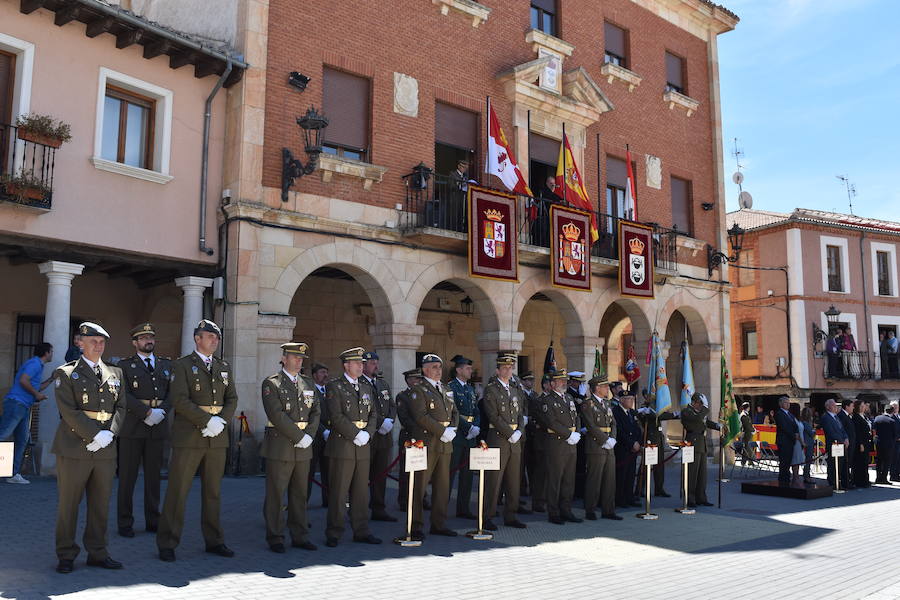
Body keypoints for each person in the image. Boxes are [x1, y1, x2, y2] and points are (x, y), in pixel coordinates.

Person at [157, 319, 237, 562]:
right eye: (209, 336)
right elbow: (179, 400)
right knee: (178, 491)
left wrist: (221, 421)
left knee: (213, 493)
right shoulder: (182, 365)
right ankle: (167, 542)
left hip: (216, 438)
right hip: (190, 436)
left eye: (217, 337)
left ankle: (214, 540)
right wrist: (206, 421)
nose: (215, 340)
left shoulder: (223, 367)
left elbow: (232, 398)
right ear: (197, 339)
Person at [52, 323, 125, 574]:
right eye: (93, 340)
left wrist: (110, 434)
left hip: (105, 449)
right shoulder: (65, 373)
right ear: (79, 342)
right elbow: (69, 412)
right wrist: (94, 434)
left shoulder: (115, 373)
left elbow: (122, 408)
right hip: (74, 447)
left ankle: (98, 552)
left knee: (100, 504)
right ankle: (66, 554)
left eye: (102, 341)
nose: (99, 345)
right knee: (69, 505)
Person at [260, 342, 320, 553]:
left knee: (300, 493)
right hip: (281, 445)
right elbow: (276, 415)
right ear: (284, 359)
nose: (299, 361)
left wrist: (309, 436)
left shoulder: (308, 383)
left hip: (304, 446)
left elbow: (316, 412)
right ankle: (275, 536)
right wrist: (299, 436)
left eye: (301, 358)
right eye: (294, 357)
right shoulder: (272, 383)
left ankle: (300, 535)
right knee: (277, 493)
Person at [116, 324, 170, 537]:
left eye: (151, 337)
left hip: (158, 426)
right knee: (128, 477)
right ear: (135, 343)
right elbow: (123, 394)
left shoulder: (166, 365)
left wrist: (161, 412)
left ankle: (152, 519)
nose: (149, 340)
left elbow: (173, 394)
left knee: (153, 477)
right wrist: (146, 412)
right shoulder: (124, 366)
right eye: (144, 337)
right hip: (133, 426)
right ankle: (125, 522)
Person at [323, 347, 380, 547]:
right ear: (346, 365)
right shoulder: (334, 387)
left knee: (360, 492)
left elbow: (374, 414)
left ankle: (361, 530)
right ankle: (334, 531)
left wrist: (368, 434)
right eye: (357, 363)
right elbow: (336, 416)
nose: (360, 366)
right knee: (339, 491)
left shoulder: (366, 387)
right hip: (343, 445)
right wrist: (356, 434)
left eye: (362, 363)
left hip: (363, 445)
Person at [401, 353, 460, 541]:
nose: (438, 370)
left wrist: (453, 428)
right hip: (426, 443)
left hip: (444, 444)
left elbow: (455, 412)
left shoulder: (445, 388)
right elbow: (420, 416)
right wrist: (442, 431)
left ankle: (439, 523)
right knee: (419, 486)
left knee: (443, 486)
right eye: (434, 367)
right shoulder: (418, 390)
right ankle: (415, 525)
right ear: (425, 369)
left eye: (440, 367)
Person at [480, 352, 528, 531]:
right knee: (494, 480)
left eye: (511, 367)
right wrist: (510, 432)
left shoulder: (515, 389)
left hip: (515, 439)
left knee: (514, 479)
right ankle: (487, 516)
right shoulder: (491, 389)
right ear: (498, 370)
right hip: (499, 438)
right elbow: (493, 415)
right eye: (505, 367)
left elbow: (521, 414)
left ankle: (511, 514)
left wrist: (519, 431)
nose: (508, 370)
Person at [2, 342, 52, 484]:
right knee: (3, 435)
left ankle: (13, 474)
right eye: (51, 351)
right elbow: (24, 380)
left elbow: (36, 386)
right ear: (46, 352)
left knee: (22, 439)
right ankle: (10, 472)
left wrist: (51, 379)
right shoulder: (35, 363)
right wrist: (36, 394)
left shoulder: (38, 365)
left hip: (23, 406)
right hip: (16, 403)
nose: (52, 354)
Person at [536, 368, 582, 525]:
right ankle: (553, 512)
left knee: (569, 480)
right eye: (561, 381)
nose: (564, 383)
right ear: (553, 383)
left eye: (565, 381)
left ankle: (566, 510)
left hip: (571, 444)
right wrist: (569, 435)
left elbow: (576, 417)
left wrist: (576, 433)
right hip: (556, 443)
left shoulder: (569, 398)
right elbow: (551, 422)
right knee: (555, 479)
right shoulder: (548, 400)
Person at [360, 351, 397, 523]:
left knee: (380, 475)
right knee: (361, 476)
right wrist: (381, 422)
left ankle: (378, 508)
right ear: (364, 365)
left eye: (377, 362)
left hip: (383, 437)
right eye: (372, 362)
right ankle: (357, 509)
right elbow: (364, 410)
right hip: (367, 436)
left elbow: (391, 405)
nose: (376, 365)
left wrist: (390, 420)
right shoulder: (359, 384)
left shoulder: (383, 384)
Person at [581, 376, 620, 520]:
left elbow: (614, 423)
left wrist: (613, 438)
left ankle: (608, 510)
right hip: (596, 445)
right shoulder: (588, 404)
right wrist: (604, 439)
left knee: (610, 479)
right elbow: (590, 425)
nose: (607, 389)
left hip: (609, 444)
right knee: (594, 479)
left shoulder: (607, 403)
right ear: (597, 388)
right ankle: (590, 509)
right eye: (605, 387)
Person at [448, 355, 480, 519]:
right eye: (467, 368)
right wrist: (468, 427)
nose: (470, 371)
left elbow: (476, 411)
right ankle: (442, 507)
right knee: (450, 473)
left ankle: (463, 508)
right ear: (459, 370)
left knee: (467, 474)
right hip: (457, 436)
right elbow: (453, 413)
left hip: (470, 436)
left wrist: (476, 426)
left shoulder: (470, 389)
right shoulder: (451, 388)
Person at [680, 392, 720, 507]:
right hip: (692, 443)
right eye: (700, 403)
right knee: (692, 473)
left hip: (701, 444)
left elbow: (705, 422)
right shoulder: (686, 412)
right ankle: (690, 498)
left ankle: (701, 497)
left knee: (702, 474)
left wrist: (718, 426)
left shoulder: (700, 412)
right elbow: (698, 419)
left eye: (702, 404)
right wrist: (706, 408)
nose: (701, 406)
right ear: (694, 402)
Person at [636, 395, 677, 497]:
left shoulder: (655, 408)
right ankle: (639, 489)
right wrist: (674, 414)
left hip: (658, 439)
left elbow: (660, 414)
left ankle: (659, 488)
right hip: (650, 439)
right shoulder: (645, 409)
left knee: (660, 465)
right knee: (645, 466)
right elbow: (657, 416)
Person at [395, 368, 424, 509]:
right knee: (406, 471)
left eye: (420, 379)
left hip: (423, 436)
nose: (419, 381)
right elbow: (405, 418)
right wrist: (421, 430)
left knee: (422, 470)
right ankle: (404, 500)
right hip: (409, 436)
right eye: (416, 379)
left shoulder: (423, 394)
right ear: (409, 380)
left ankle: (421, 498)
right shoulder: (402, 396)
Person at [526, 374, 551, 512]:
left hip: (552, 442)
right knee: (540, 473)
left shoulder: (553, 400)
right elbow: (543, 420)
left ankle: (548, 498)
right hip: (542, 441)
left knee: (550, 472)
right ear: (545, 385)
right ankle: (538, 501)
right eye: (550, 383)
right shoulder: (538, 400)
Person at [612, 393, 641, 508]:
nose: (631, 401)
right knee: (621, 475)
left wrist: (637, 442)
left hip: (633, 449)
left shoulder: (632, 412)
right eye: (628, 399)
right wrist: (631, 443)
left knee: (631, 474)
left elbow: (638, 429)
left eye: (632, 398)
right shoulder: (616, 412)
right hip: (623, 448)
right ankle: (620, 498)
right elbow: (619, 431)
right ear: (621, 400)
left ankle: (629, 497)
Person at [308, 363, 330, 507]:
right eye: (322, 372)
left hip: (330, 436)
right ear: (315, 375)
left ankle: (328, 500)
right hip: (315, 436)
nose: (325, 375)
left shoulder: (330, 390)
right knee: (308, 472)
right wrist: (323, 431)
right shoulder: (309, 391)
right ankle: (302, 502)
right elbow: (311, 415)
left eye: (326, 372)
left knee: (328, 470)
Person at [820, 398, 849, 489]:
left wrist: (846, 438)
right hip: (834, 444)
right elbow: (831, 432)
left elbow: (842, 429)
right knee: (833, 464)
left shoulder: (836, 417)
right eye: (833, 405)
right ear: (828, 407)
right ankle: (832, 482)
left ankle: (838, 481)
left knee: (840, 464)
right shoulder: (826, 417)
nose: (835, 407)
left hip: (841, 444)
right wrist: (841, 440)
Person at [773, 396, 799, 485]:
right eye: (785, 402)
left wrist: (796, 433)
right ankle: (783, 479)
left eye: (788, 402)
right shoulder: (779, 414)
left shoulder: (790, 414)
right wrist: (793, 434)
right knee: (784, 461)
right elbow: (784, 427)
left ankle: (787, 478)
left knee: (788, 461)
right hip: (783, 441)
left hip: (790, 441)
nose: (788, 404)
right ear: (780, 404)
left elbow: (795, 425)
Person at [873, 404, 896, 484]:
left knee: (879, 461)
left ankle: (878, 478)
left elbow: (874, 430)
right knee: (886, 462)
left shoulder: (877, 418)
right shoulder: (892, 421)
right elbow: (895, 434)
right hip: (888, 444)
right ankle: (884, 478)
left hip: (879, 443)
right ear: (892, 411)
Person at [851, 400, 872, 488]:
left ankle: (865, 479)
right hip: (861, 443)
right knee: (860, 462)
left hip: (867, 442)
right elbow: (858, 432)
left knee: (865, 462)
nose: (864, 407)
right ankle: (860, 481)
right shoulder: (856, 417)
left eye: (864, 406)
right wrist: (860, 443)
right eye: (862, 406)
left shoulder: (864, 416)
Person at [837, 399, 856, 489]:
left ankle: (847, 481)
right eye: (852, 406)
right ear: (847, 406)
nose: (853, 408)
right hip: (845, 444)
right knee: (844, 463)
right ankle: (844, 482)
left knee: (848, 463)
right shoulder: (841, 415)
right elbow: (842, 429)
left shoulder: (848, 416)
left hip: (850, 443)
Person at [787, 403, 806, 484]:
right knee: (795, 460)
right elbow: (796, 434)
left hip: (799, 442)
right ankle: (795, 477)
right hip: (796, 442)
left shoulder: (798, 420)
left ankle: (797, 476)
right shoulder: (792, 419)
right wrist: (802, 442)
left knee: (798, 460)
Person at [799, 407, 816, 483]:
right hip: (808, 443)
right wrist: (814, 431)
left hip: (805, 442)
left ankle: (806, 475)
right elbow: (811, 433)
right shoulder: (806, 423)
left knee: (807, 460)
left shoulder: (801, 422)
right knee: (808, 460)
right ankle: (807, 476)